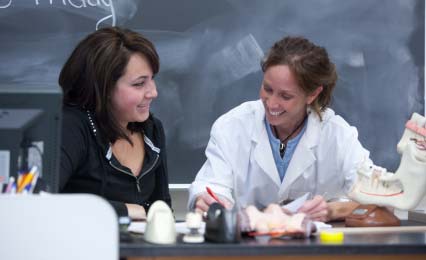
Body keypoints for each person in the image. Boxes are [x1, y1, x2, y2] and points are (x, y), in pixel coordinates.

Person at [188, 36, 368, 222]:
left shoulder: (338, 135)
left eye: (285, 96)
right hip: (247, 246)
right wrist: (209, 202)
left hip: (314, 248)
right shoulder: (232, 127)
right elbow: (211, 187)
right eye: (267, 89)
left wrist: (331, 210)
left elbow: (377, 200)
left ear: (312, 94)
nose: (272, 103)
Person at [59, 27, 171, 220]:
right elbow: (40, 202)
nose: (153, 92)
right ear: (104, 87)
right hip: (79, 247)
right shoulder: (71, 127)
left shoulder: (152, 130)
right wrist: (125, 210)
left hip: (137, 249)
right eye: (139, 84)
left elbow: (161, 211)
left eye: (152, 80)